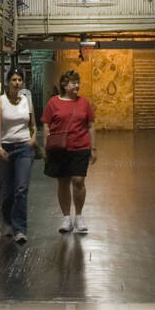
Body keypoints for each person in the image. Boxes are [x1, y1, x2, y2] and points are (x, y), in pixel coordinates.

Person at [40, 70, 96, 234]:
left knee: (78, 181)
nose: (77, 85)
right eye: (73, 83)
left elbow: (91, 125)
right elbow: (46, 125)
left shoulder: (84, 103)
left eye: (78, 82)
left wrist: (93, 148)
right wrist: (46, 146)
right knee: (63, 182)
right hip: (59, 148)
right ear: (64, 85)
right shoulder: (53, 103)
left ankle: (79, 216)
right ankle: (66, 217)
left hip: (80, 147)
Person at [0, 67, 37, 244]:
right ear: (7, 82)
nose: (17, 83)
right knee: (7, 191)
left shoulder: (27, 100)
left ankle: (20, 229)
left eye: (19, 80)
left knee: (21, 188)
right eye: (14, 79)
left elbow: (33, 124)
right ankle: (8, 221)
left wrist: (33, 139)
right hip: (6, 147)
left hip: (24, 148)